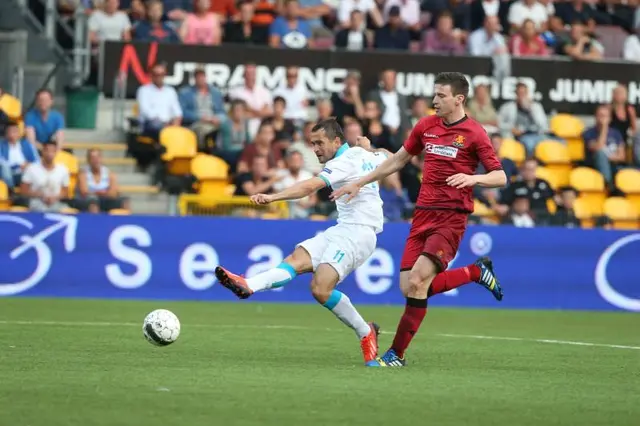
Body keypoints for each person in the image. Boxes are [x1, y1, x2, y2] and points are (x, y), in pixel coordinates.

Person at [331, 72, 507, 367]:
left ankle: (396, 355)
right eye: (434, 94)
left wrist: (472, 177)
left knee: (416, 281)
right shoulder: (425, 126)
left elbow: (500, 176)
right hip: (423, 214)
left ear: (458, 99)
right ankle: (475, 273)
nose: (434, 100)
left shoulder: (475, 133)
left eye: (440, 95)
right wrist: (360, 182)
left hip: (451, 217)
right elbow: (398, 159)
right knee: (409, 287)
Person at [215, 119, 386, 365]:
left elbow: (309, 187)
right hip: (343, 229)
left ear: (337, 141)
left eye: (319, 143)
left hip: (358, 233)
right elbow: (392, 157)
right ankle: (248, 285)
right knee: (296, 258)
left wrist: (274, 196)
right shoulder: (362, 154)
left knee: (320, 289)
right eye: (312, 144)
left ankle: (365, 332)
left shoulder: (343, 161)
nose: (315, 149)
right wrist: (371, 149)